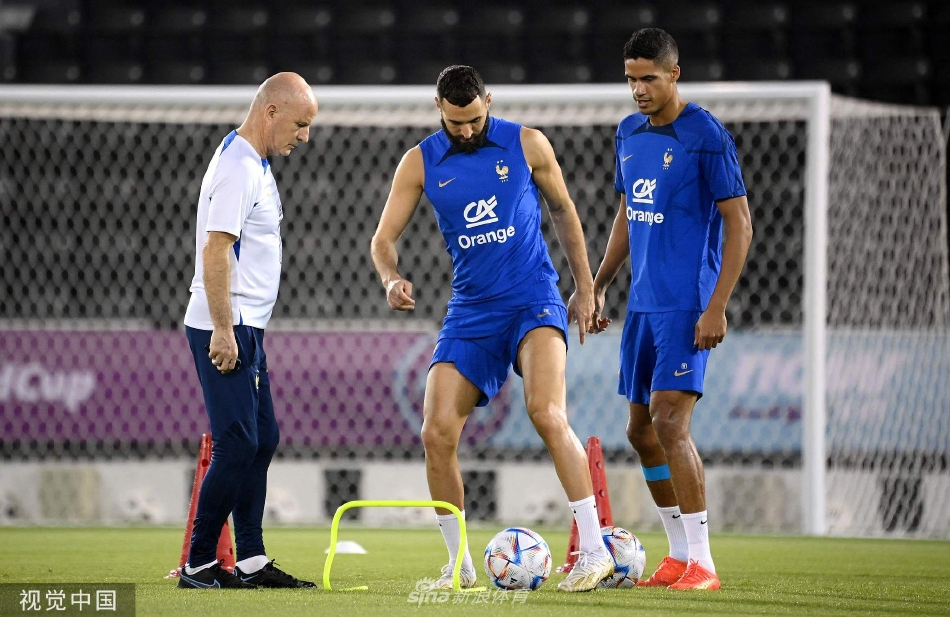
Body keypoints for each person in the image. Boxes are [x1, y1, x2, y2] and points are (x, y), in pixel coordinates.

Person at [371, 65, 614, 592]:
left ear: (489, 101)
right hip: (471, 310)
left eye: (474, 120)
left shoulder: (527, 143)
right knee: (435, 432)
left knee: (546, 412)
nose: (465, 131)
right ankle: (458, 567)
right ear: (438, 108)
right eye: (454, 122)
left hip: (533, 300)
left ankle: (595, 552)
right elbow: (383, 239)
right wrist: (390, 278)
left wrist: (585, 287)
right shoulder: (419, 162)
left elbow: (563, 209)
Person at [590, 29, 753, 591]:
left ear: (675, 74)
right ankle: (678, 553)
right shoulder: (628, 132)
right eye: (631, 79)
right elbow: (628, 212)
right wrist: (600, 283)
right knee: (640, 430)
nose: (639, 89)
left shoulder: (705, 135)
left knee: (668, 421)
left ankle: (704, 563)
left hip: (688, 303)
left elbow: (739, 224)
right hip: (643, 304)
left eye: (649, 78)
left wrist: (717, 305)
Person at [178, 72, 319, 590]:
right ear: (271, 112)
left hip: (247, 325)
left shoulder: (253, 162)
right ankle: (198, 564)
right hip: (226, 325)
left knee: (262, 440)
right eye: (300, 124)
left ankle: (252, 560)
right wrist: (223, 329)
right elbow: (215, 248)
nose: (305, 136)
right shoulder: (239, 167)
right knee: (237, 443)